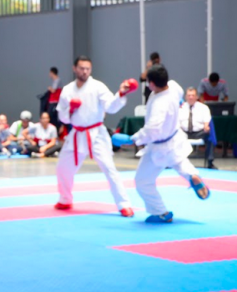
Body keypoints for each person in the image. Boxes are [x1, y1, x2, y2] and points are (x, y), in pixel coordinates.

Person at [55, 55, 137, 218]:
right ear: (74, 68)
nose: (84, 71)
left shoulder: (98, 87)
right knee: (62, 168)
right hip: (77, 134)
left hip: (97, 133)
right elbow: (62, 118)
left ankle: (124, 204)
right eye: (81, 68)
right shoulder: (67, 90)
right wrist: (70, 109)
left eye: (87, 69)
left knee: (109, 168)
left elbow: (111, 107)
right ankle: (65, 198)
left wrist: (121, 94)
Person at [132, 65, 211, 223]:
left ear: (152, 83)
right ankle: (192, 176)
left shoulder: (160, 104)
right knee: (179, 162)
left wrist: (132, 139)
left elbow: (152, 130)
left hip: (159, 146)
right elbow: (180, 92)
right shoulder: (173, 87)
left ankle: (161, 212)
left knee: (142, 181)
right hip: (175, 138)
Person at [180, 87, 217, 169]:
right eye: (189, 95)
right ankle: (171, 162)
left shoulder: (203, 108)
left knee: (210, 135)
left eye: (193, 95)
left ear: (197, 97)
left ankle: (210, 162)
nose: (191, 97)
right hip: (183, 133)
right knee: (172, 136)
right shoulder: (180, 108)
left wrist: (206, 127)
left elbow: (207, 122)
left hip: (199, 133)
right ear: (186, 97)